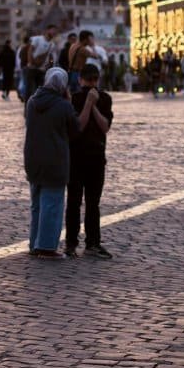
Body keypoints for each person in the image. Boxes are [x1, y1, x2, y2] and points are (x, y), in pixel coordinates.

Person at [24, 67, 95, 259]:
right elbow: (76, 129)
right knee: (52, 205)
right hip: (54, 161)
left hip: (33, 159)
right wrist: (84, 104)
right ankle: (46, 247)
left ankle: (35, 244)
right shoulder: (62, 106)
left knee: (37, 205)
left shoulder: (31, 102)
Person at [65, 64, 115, 258]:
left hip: (96, 158)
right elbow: (78, 127)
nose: (91, 85)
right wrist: (87, 103)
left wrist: (93, 105)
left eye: (93, 81)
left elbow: (105, 127)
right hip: (76, 158)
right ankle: (71, 243)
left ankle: (92, 243)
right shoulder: (75, 99)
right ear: (82, 81)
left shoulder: (105, 99)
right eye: (90, 80)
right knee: (74, 202)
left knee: (93, 203)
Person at [24, 24, 58, 102]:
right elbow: (30, 51)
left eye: (55, 31)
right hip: (32, 69)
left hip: (42, 70)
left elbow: (51, 58)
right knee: (29, 90)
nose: (54, 32)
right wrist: (30, 63)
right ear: (47, 30)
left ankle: (37, 109)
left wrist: (50, 66)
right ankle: (27, 110)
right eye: (52, 30)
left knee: (40, 91)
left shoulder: (52, 44)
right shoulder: (37, 39)